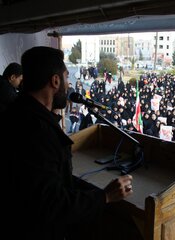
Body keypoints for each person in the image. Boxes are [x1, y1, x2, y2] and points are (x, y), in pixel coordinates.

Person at [1, 47, 138, 239]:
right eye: (66, 77)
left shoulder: (17, 113)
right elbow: (50, 204)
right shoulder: (37, 131)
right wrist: (104, 196)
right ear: (55, 81)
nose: (69, 84)